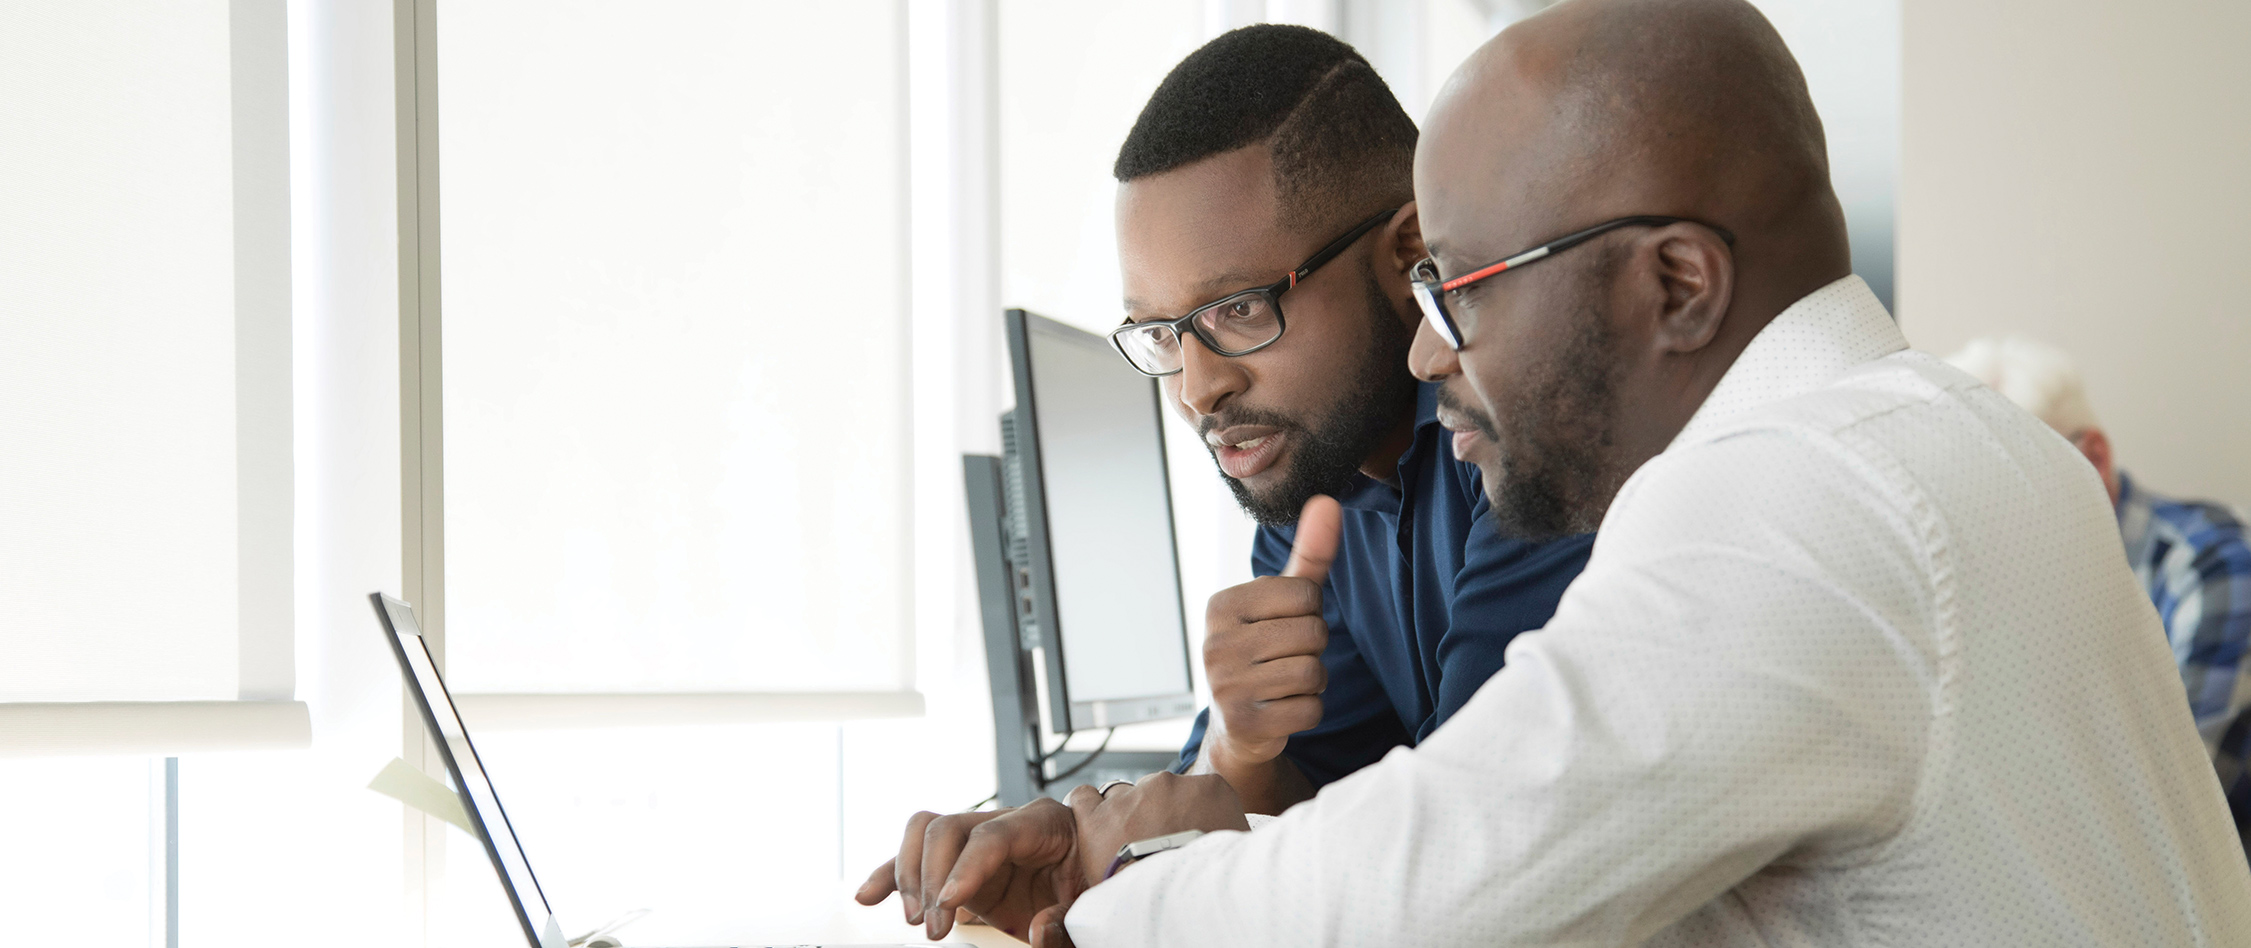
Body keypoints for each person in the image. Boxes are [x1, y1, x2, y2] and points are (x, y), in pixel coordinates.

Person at [869, 1, 2251, 945]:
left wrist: (1107, 887)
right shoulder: (1930, 437)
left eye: (1456, 284)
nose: (1423, 352)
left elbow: (1441, 885)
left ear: (1675, 286)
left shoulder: (1794, 503)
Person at [1949, 335, 2251, 847]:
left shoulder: (2214, 563)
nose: (1990, 521)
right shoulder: (2006, 582)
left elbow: (2172, 805)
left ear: (2094, 457)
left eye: (2009, 486)